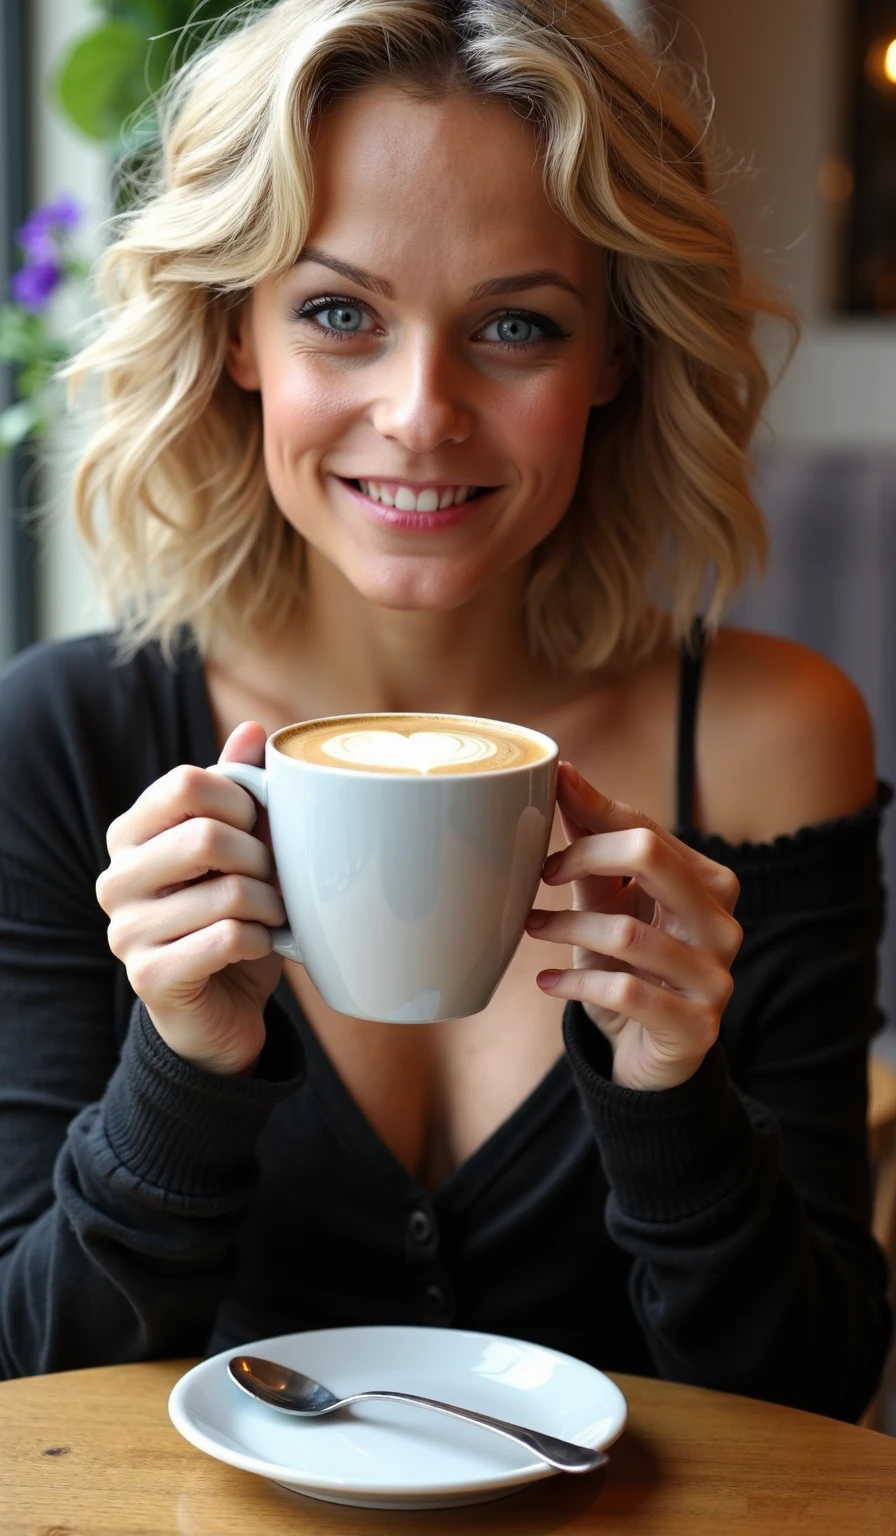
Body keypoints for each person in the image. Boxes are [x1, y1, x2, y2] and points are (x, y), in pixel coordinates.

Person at [0, 0, 890, 1421]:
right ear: (239, 335)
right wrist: (179, 1065)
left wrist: (670, 1099)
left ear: (612, 360)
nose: (422, 412)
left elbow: (822, 1393)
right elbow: (27, 1387)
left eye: (517, 326)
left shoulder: (769, 743)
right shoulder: (60, 744)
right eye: (340, 312)